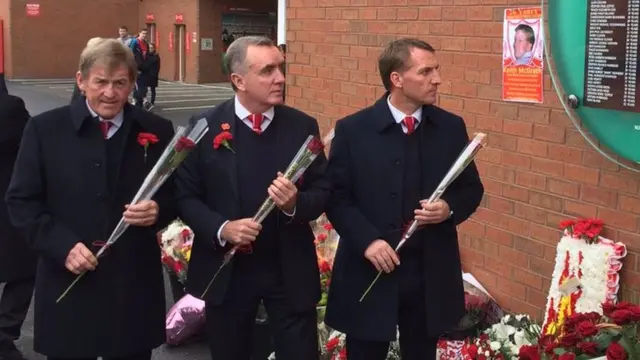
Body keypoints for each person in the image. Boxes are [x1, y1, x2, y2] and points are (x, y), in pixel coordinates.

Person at [4, 38, 176, 360]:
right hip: (67, 279)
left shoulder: (156, 129)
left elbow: (176, 193)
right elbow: (21, 201)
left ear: (132, 84)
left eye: (120, 83)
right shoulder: (45, 130)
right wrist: (62, 246)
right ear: (81, 81)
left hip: (132, 284)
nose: (110, 93)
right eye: (101, 82)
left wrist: (159, 210)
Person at [324, 38, 484, 360]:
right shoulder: (353, 130)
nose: (436, 79)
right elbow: (336, 198)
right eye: (425, 71)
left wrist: (447, 209)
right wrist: (368, 241)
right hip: (370, 268)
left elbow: (471, 189)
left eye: (436, 70)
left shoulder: (451, 128)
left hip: (429, 272)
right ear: (397, 79)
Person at [175, 36, 329, 360]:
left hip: (287, 269)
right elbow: (185, 196)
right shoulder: (204, 126)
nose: (280, 78)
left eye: (281, 68)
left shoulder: (302, 126)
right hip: (228, 272)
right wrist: (222, 228)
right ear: (238, 80)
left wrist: (294, 204)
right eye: (268, 70)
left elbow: (324, 190)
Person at [0, 81, 34, 360]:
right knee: (23, 272)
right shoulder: (10, 108)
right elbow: (32, 145)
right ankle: (4, 334)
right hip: (8, 205)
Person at [129, 28, 150, 108]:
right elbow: (130, 55)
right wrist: (134, 67)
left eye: (145, 34)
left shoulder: (146, 44)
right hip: (137, 67)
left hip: (144, 67)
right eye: (143, 33)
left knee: (143, 84)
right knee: (138, 84)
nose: (144, 35)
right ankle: (138, 100)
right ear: (139, 33)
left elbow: (147, 56)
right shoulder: (135, 42)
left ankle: (142, 100)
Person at [142, 43, 160, 111]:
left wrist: (155, 74)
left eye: (152, 48)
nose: (150, 49)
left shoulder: (156, 56)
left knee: (153, 90)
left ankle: (152, 102)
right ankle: (145, 102)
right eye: (149, 48)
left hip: (153, 75)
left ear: (154, 48)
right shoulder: (146, 55)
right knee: (144, 88)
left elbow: (158, 66)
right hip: (146, 74)